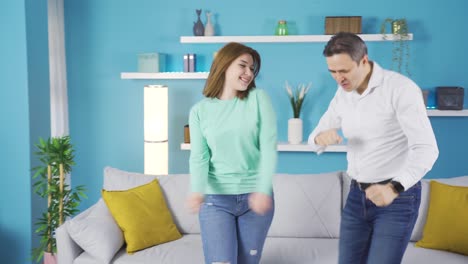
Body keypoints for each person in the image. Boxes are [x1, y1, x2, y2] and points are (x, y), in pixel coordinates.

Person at [307, 32, 439, 264]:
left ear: (364, 61)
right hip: (356, 196)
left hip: (397, 200)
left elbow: (427, 149)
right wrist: (321, 138)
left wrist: (394, 187)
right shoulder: (343, 93)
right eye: (333, 72)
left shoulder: (401, 89)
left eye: (344, 71)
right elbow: (315, 136)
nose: (338, 78)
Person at [186, 42, 277, 264]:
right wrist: (197, 190)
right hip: (215, 200)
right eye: (243, 66)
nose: (249, 73)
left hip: (254, 197)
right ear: (224, 65)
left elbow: (268, 147)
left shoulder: (258, 99)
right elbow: (199, 157)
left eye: (252, 69)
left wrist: (263, 189)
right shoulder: (200, 111)